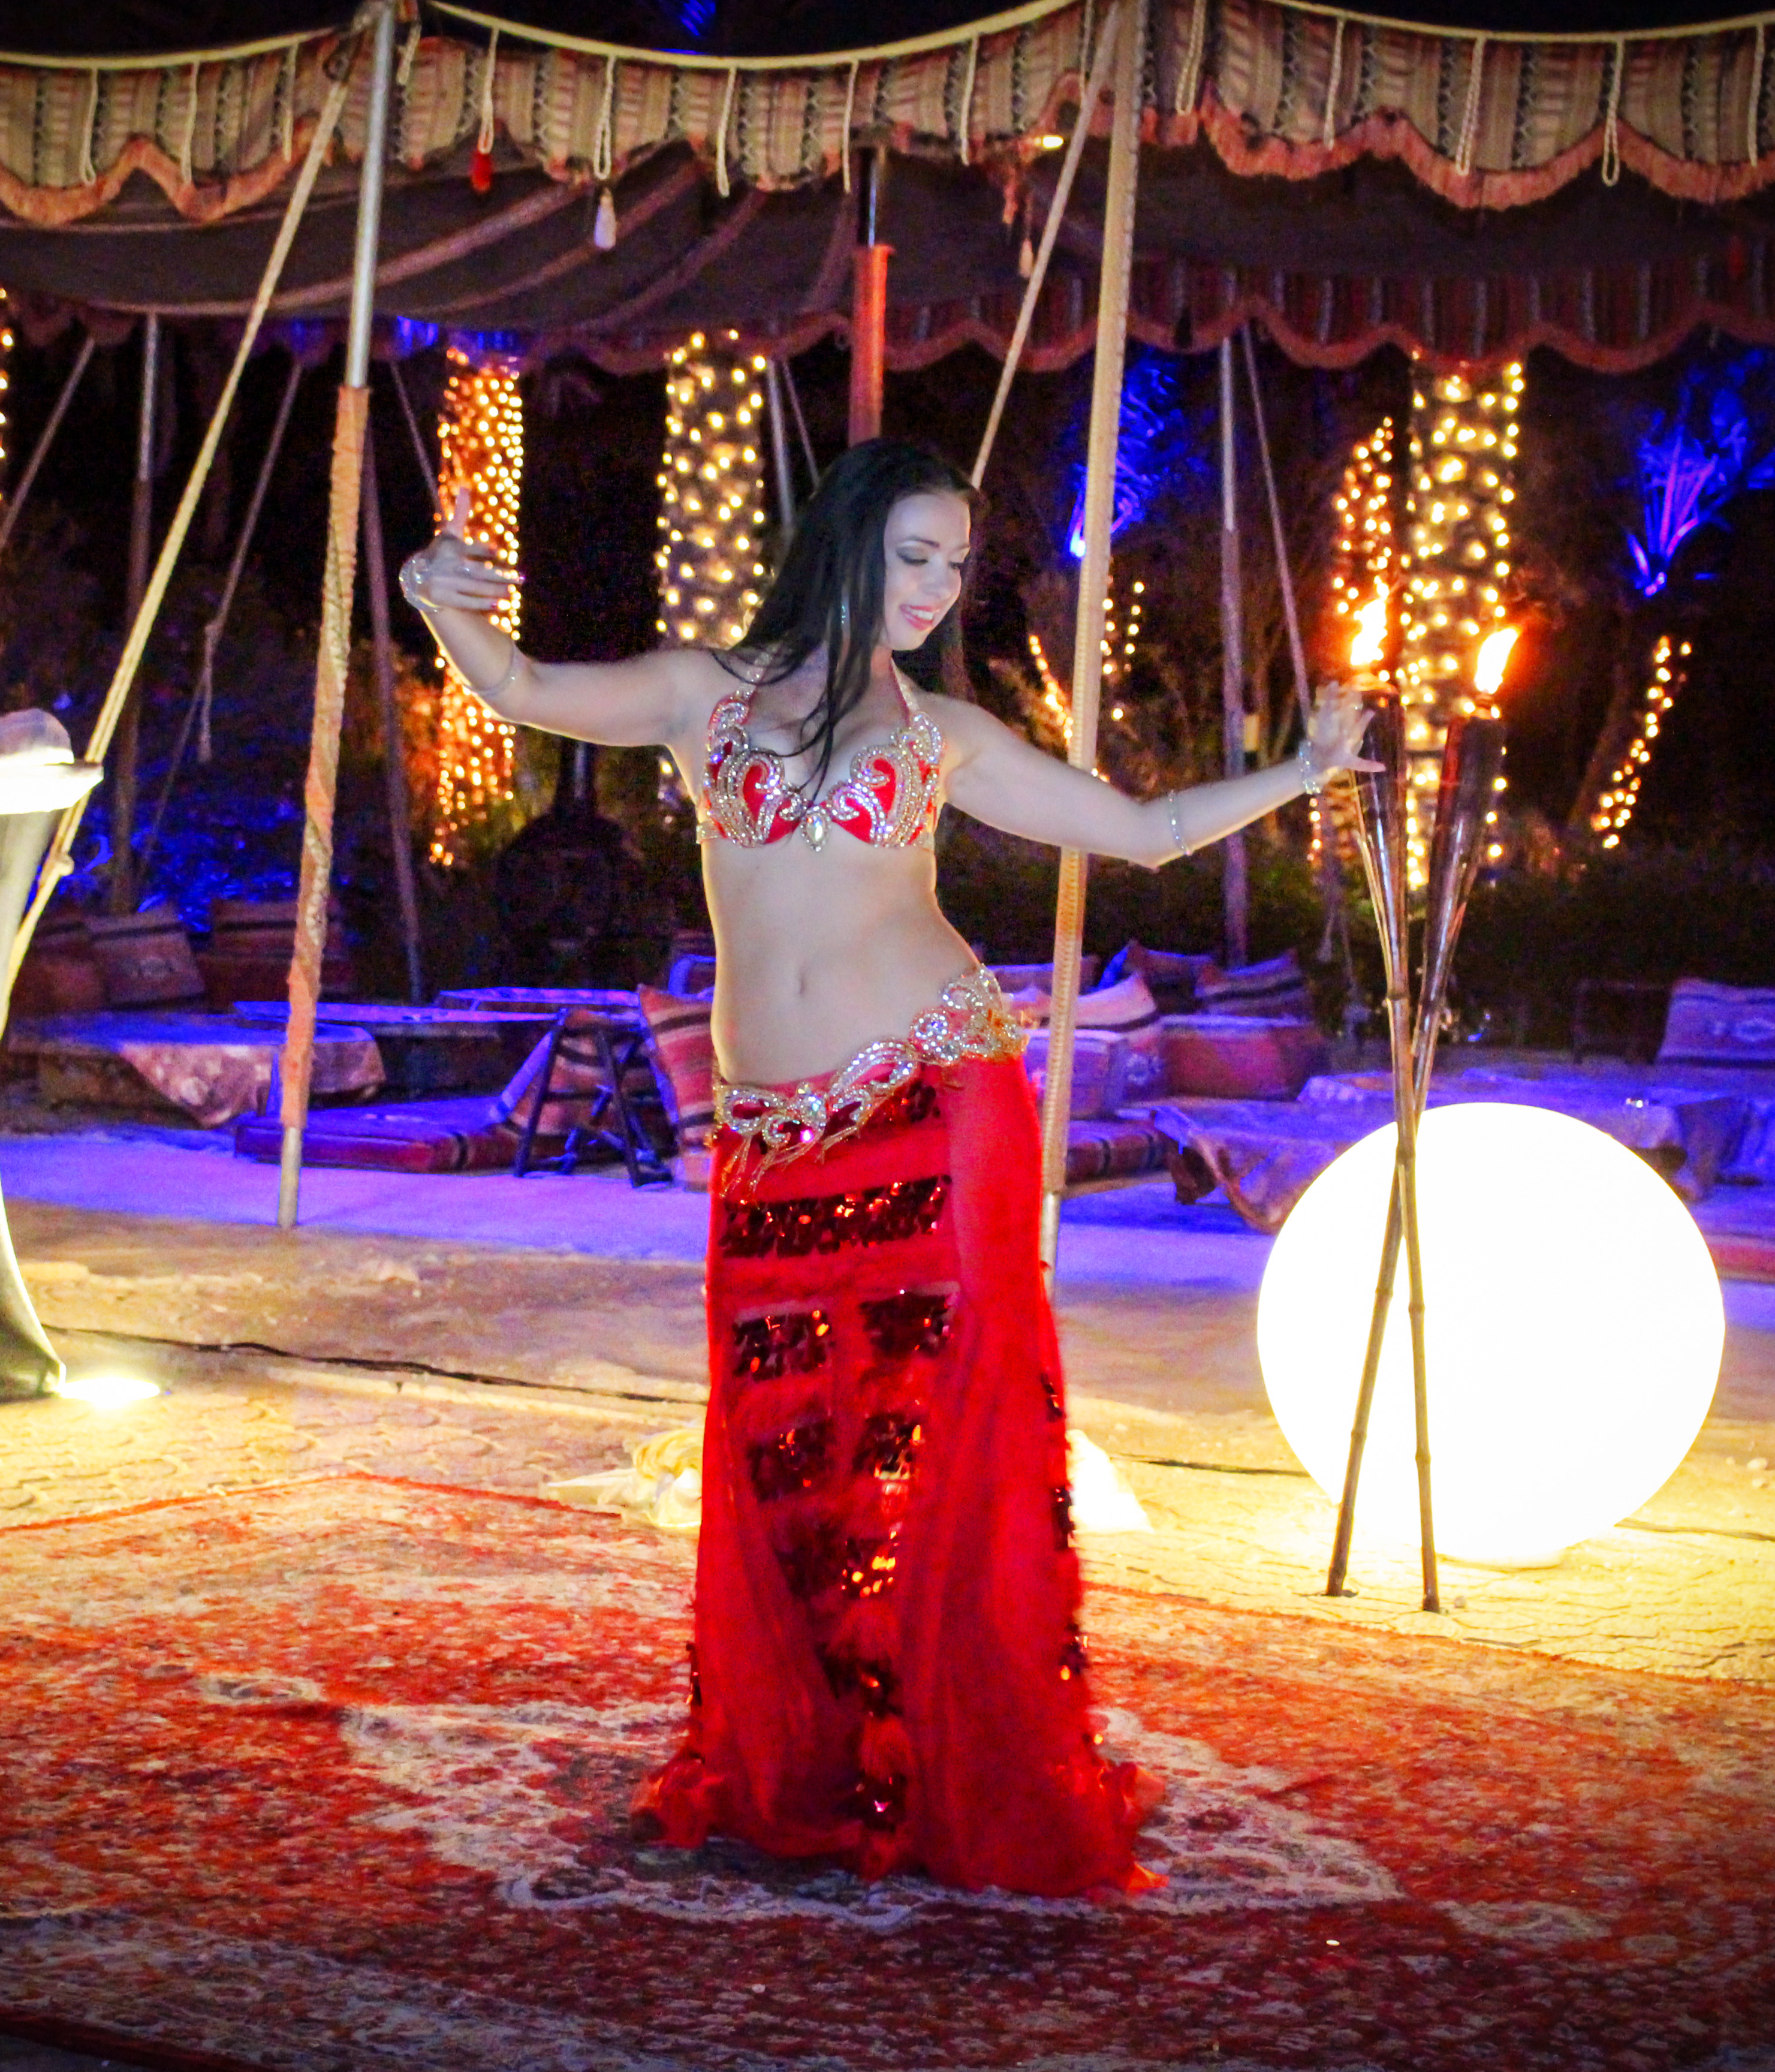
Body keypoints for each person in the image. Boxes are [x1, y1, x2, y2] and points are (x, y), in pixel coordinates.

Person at [399, 438, 1373, 1898]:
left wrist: (1304, 769)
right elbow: (525, 686)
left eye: (956, 566)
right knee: (786, 1439)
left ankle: (957, 1760)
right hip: (770, 1138)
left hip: (937, 1095)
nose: (936, 589)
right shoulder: (701, 692)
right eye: (915, 555)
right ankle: (813, 1756)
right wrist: (438, 598)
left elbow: (1147, 833)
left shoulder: (944, 732)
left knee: (945, 1433)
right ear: (847, 541)